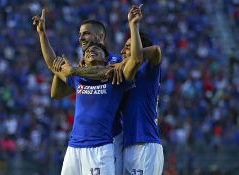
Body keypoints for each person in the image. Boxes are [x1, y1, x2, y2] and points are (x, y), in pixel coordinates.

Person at [32, 9, 124, 175]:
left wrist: (72, 70)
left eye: (86, 34)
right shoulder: (80, 70)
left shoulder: (115, 61)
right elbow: (54, 69)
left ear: (101, 37)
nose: (81, 38)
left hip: (107, 141)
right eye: (80, 34)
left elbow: (106, 72)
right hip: (75, 145)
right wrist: (42, 33)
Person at [50, 42, 132, 175]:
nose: (90, 51)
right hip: (73, 147)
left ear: (106, 59)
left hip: (99, 147)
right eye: (87, 52)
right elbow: (51, 64)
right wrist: (41, 33)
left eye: (96, 50)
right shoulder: (79, 79)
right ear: (84, 61)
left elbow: (135, 60)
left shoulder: (115, 77)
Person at [120, 5, 164, 175]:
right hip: (128, 145)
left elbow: (156, 51)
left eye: (128, 46)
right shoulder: (122, 75)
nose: (123, 50)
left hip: (145, 144)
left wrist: (134, 25)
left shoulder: (148, 72)